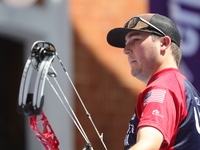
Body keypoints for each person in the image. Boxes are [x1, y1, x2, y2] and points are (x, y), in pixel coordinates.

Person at [106, 13, 200, 150]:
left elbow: (148, 145)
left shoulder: (162, 88)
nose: (125, 50)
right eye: (126, 43)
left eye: (135, 40)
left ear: (164, 43)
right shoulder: (185, 88)